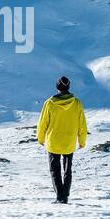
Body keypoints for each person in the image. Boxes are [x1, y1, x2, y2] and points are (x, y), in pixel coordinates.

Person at [36, 75, 88, 203]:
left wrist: (40, 138)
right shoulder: (76, 103)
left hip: (53, 141)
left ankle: (60, 196)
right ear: (69, 87)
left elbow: (43, 123)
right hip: (69, 142)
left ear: (57, 87)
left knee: (55, 170)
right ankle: (65, 195)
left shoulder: (49, 103)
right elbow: (82, 123)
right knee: (67, 169)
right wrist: (82, 141)